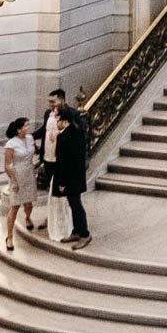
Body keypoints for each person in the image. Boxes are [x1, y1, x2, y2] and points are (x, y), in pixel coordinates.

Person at [51, 101, 92, 247]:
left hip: (70, 177)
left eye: (58, 119)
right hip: (74, 176)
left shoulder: (69, 136)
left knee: (76, 205)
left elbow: (66, 161)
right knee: (73, 204)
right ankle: (76, 230)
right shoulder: (75, 132)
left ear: (65, 121)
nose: (56, 122)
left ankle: (84, 233)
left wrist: (62, 182)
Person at [1, 116, 36, 251]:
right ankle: (9, 236)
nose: (28, 128)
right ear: (18, 129)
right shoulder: (11, 144)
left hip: (29, 173)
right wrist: (14, 181)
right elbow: (7, 165)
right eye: (26, 126)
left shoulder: (30, 139)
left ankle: (28, 217)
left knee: (29, 202)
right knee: (14, 206)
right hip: (17, 174)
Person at [32, 87, 68, 202]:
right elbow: (44, 130)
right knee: (50, 186)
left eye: (53, 102)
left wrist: (58, 135)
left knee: (60, 187)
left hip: (60, 157)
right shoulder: (48, 113)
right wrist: (30, 136)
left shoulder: (69, 114)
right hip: (47, 156)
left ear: (61, 101)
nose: (50, 104)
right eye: (49, 101)